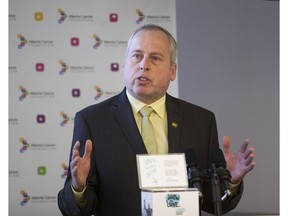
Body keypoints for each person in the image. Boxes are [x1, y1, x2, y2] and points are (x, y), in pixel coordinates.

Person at [57, 24, 255, 216]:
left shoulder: (201, 121)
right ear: (124, 66)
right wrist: (78, 187)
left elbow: (213, 202)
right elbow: (76, 209)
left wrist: (230, 181)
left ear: (173, 71)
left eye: (155, 58)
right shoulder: (93, 120)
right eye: (136, 56)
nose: (144, 65)